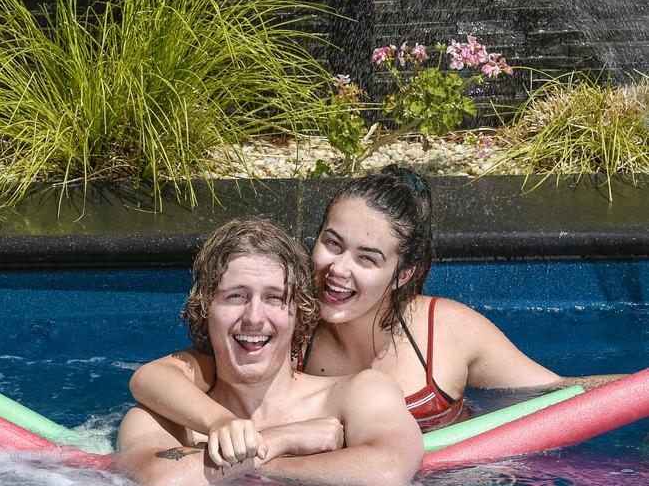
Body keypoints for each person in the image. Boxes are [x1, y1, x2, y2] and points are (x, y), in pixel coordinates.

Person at [129, 164, 624, 468]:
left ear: (403, 274)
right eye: (331, 243)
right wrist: (221, 423)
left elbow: (557, 397)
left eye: (367, 259)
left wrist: (636, 389)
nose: (338, 270)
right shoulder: (287, 328)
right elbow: (155, 377)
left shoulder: (444, 332)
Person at [117, 219, 423, 485]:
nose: (253, 317)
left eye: (274, 297)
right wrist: (277, 440)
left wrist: (253, 464)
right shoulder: (165, 421)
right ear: (205, 308)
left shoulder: (355, 395)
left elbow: (388, 471)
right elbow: (160, 480)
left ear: (299, 313)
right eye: (236, 295)